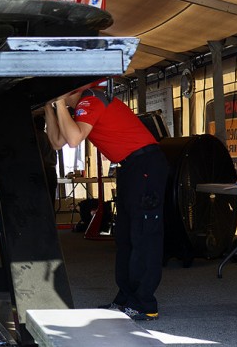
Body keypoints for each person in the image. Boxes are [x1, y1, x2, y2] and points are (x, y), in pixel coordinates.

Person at [44, 85, 168, 321]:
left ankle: (145, 304)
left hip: (145, 164)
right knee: (125, 236)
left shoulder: (91, 99)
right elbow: (56, 142)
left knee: (144, 235)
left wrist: (58, 103)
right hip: (131, 167)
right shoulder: (77, 108)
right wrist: (49, 108)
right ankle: (126, 298)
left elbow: (73, 139)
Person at [34, 115, 59, 209]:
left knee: (43, 204)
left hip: (44, 171)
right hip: (52, 170)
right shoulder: (48, 136)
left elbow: (37, 156)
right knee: (50, 203)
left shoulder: (38, 137)